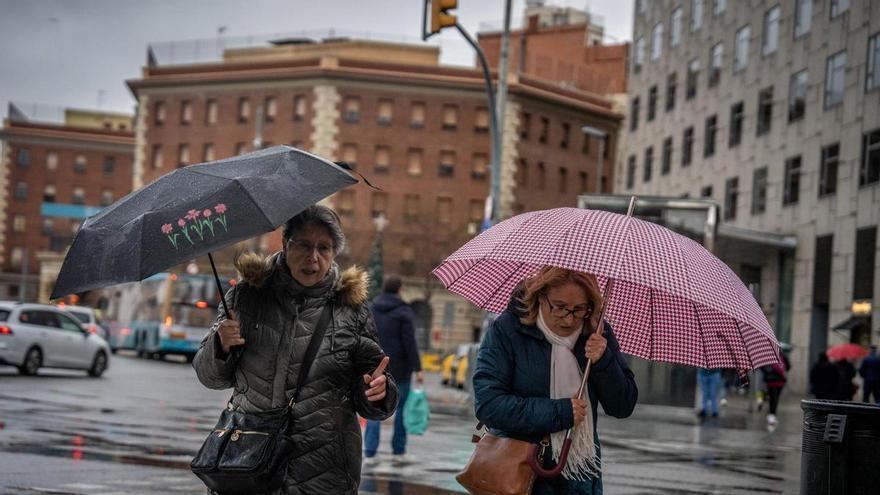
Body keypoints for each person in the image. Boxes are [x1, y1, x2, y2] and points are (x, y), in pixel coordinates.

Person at [193, 205, 399, 494]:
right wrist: (220, 345)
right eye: (303, 245)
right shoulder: (246, 297)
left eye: (324, 248)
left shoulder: (351, 310)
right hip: (249, 461)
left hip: (324, 471)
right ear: (285, 244)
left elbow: (371, 390)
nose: (313, 257)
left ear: (334, 254)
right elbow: (209, 377)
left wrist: (379, 393)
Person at [473, 266, 638, 494]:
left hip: (580, 476)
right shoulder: (508, 329)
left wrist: (604, 361)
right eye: (560, 308)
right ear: (541, 297)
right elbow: (488, 404)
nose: (569, 319)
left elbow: (623, 405)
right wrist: (560, 413)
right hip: (521, 472)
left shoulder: (597, 332)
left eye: (579, 310)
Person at [364, 276, 424, 464]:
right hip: (400, 369)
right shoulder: (404, 312)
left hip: (376, 368)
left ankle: (370, 452)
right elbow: (409, 342)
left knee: (375, 407)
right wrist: (418, 368)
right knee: (401, 410)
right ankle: (399, 450)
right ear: (399, 290)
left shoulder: (371, 309)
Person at [760, 359, 786, 427]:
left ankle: (771, 415)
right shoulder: (781, 356)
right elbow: (788, 366)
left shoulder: (766, 357)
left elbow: (762, 367)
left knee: (772, 399)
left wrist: (767, 373)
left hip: (770, 381)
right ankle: (772, 415)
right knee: (775, 399)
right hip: (779, 382)